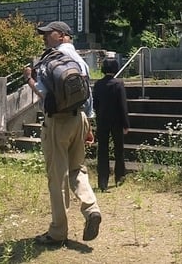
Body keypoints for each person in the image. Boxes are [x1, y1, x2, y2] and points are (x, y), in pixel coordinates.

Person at [23, 21, 101, 246]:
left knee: (57, 178)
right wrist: (87, 125)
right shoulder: (80, 61)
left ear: (62, 35)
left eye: (49, 34)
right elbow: (87, 94)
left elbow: (44, 94)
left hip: (57, 123)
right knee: (78, 169)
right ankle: (91, 209)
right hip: (80, 119)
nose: (45, 38)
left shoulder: (50, 60)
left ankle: (58, 232)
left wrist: (29, 78)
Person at [93, 57, 130, 192]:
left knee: (102, 150)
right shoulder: (118, 84)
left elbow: (95, 104)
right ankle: (119, 176)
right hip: (117, 121)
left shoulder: (97, 85)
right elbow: (123, 106)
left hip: (102, 120)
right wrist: (126, 124)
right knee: (118, 149)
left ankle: (102, 180)